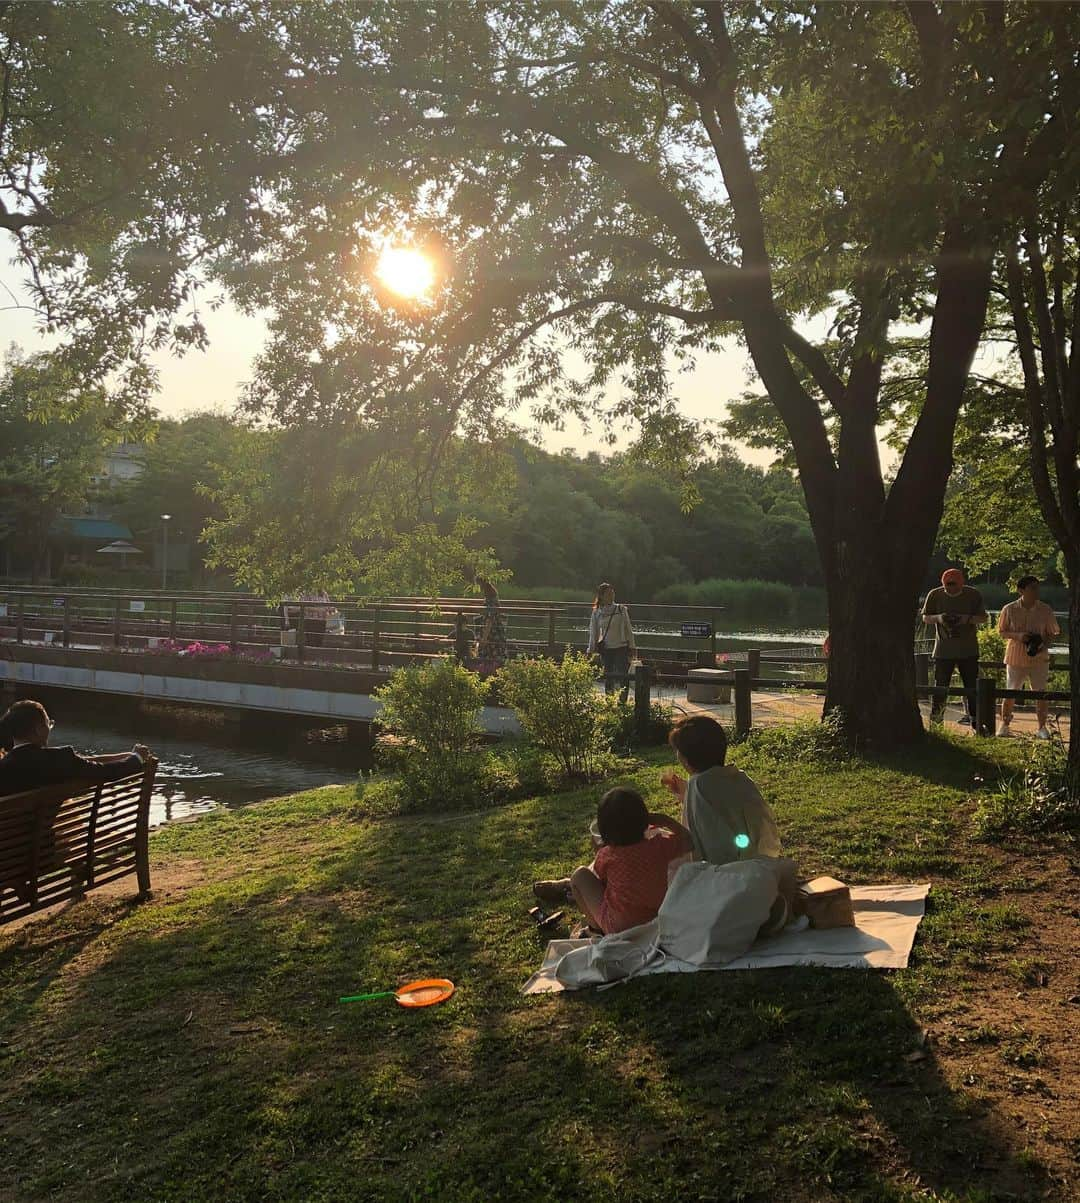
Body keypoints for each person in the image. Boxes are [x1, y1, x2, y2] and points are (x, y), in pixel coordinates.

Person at [533, 787, 691, 936]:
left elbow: (603, 883)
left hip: (617, 927)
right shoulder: (660, 845)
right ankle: (565, 890)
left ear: (603, 830)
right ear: (646, 820)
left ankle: (595, 928)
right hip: (656, 917)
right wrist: (666, 820)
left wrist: (598, 852)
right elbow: (690, 841)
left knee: (580, 875)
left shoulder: (607, 855)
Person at [660, 714, 782, 865]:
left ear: (685, 758)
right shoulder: (737, 777)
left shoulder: (698, 784)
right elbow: (725, 810)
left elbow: (705, 842)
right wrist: (686, 794)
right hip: (763, 862)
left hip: (729, 874)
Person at [0, 700, 150, 797]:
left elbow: (84, 762)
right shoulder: (60, 759)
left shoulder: (4, 767)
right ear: (39, 729)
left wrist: (124, 755)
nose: (50, 729)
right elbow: (107, 772)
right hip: (46, 842)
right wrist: (137, 757)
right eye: (48, 724)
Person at [996, 575, 1060, 739]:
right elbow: (1001, 631)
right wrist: (1019, 636)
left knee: (1040, 692)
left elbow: (1053, 632)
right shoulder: (1009, 609)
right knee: (1011, 692)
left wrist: (1042, 645)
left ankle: (1042, 727)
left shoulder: (1045, 609)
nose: (1036, 591)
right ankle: (1004, 724)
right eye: (1032, 588)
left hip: (1039, 658)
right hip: (1015, 657)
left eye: (1037, 587)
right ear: (1021, 590)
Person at [921, 568, 987, 726]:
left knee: (971, 688)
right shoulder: (935, 595)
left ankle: (976, 723)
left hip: (968, 650)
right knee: (940, 688)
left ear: (962, 583)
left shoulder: (973, 594)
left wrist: (966, 619)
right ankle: (936, 722)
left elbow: (983, 618)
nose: (950, 589)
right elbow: (925, 617)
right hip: (943, 650)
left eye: (954, 585)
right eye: (947, 586)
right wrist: (940, 618)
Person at [587, 582, 636, 703]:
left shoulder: (621, 609)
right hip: (606, 649)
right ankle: (609, 702)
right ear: (602, 596)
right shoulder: (597, 612)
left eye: (612, 593)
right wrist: (590, 650)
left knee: (623, 675)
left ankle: (622, 702)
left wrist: (632, 646)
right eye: (608, 593)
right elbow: (593, 632)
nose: (611, 595)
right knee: (609, 676)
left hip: (621, 646)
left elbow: (628, 629)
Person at [475, 577, 508, 675]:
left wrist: (484, 637)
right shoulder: (493, 599)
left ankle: (487, 674)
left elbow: (490, 620)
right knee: (496, 656)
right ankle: (494, 674)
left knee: (488, 654)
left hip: (492, 634)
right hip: (496, 632)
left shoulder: (490, 601)